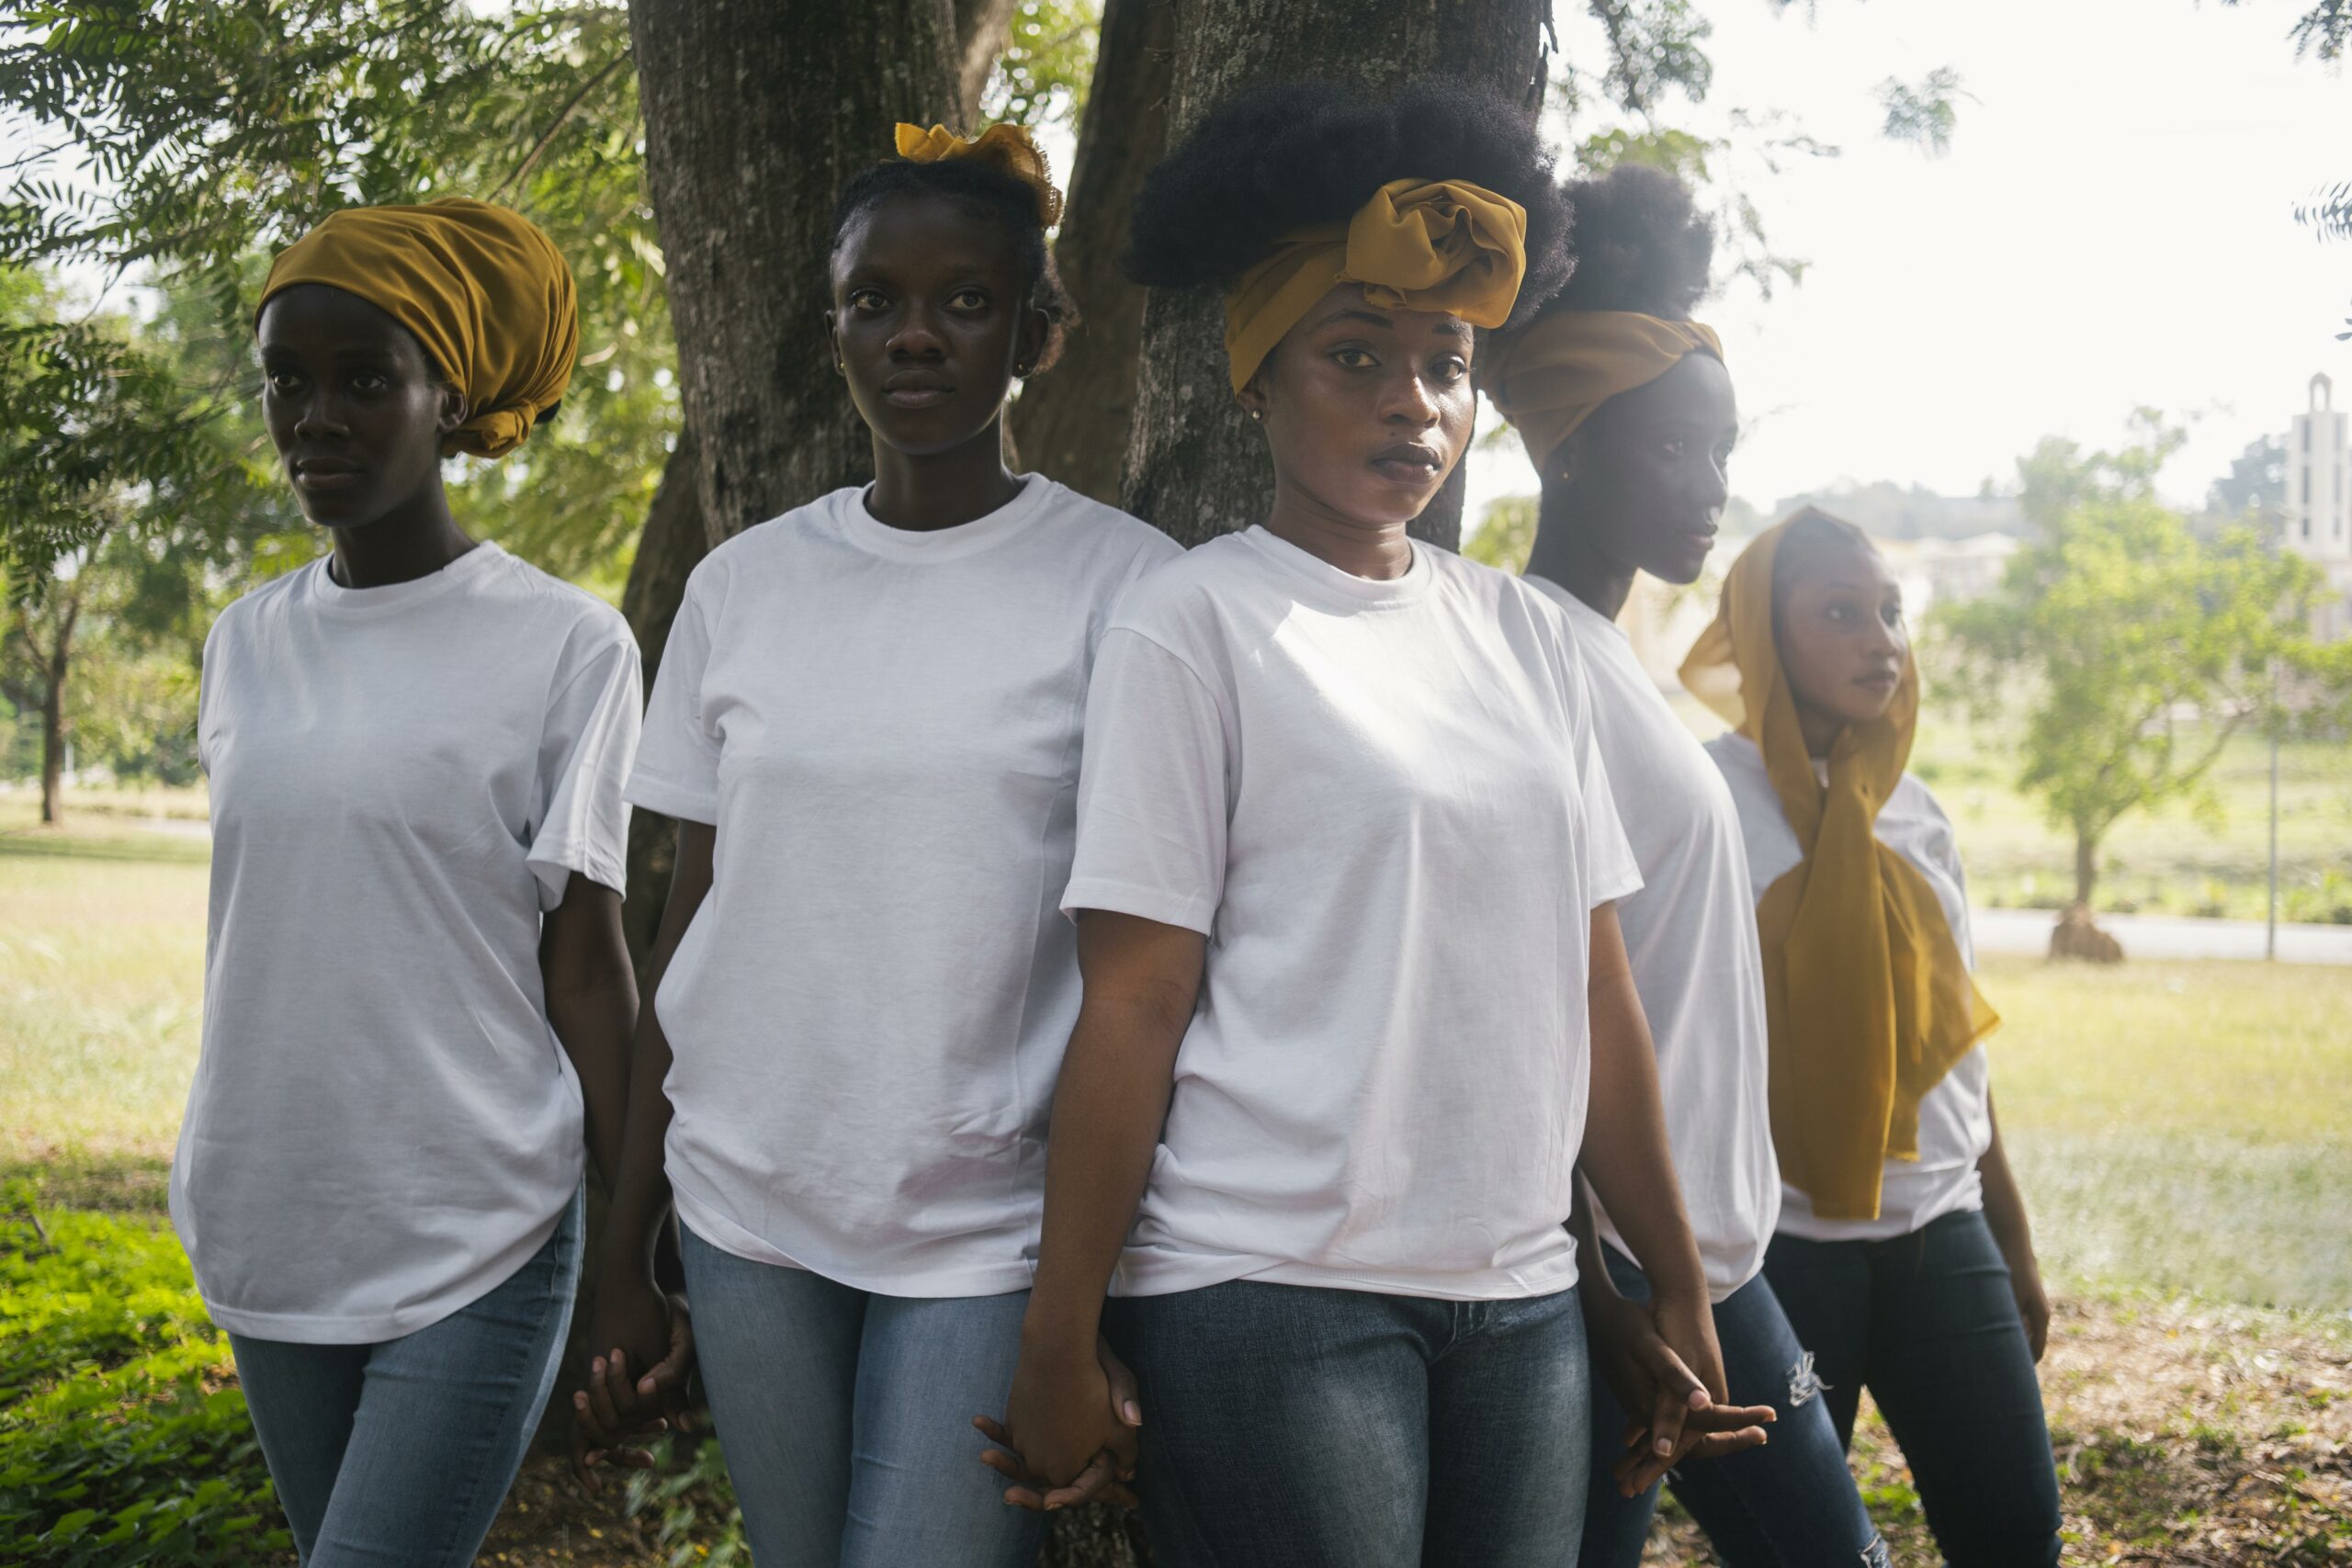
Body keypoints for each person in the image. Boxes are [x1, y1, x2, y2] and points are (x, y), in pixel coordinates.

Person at [988, 79, 1770, 1568]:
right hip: (1270, 1290)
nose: (1413, 400)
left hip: (1525, 1298)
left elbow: (1593, 984)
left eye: (1446, 363)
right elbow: (1137, 1000)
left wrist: (1669, 1280)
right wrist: (1059, 1329)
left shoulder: (1526, 638)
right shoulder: (1192, 624)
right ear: (1261, 380)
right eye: (1358, 355)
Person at [578, 121, 1177, 1567]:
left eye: (966, 300)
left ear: (1037, 331)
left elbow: (1153, 972)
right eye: (874, 300)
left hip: (984, 1224)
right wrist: (624, 1246)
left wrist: (1089, 1307)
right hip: (748, 1209)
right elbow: (691, 930)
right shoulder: (742, 586)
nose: (916, 334)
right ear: (833, 324)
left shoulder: (1131, 588)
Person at [173, 197, 640, 1566]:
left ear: (451, 400)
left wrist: (636, 1247)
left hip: (476, 1221)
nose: (314, 415)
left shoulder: (568, 645)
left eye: (365, 380)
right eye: (289, 381)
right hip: (270, 1218)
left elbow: (587, 962)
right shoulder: (241, 644)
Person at [1480, 164, 1886, 1565]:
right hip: (1626, 1268)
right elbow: (1527, 996)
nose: (1712, 490)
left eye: (1723, 452)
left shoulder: (1608, 659)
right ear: (1570, 448)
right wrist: (1605, 1280)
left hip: (1711, 1253)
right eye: (1675, 452)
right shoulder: (1520, 658)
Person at [1690, 507, 2064, 1566]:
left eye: (1892, 612)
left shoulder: (1916, 812)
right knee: (1805, 1549)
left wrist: (2011, 1240)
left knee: (2015, 1531)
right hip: (1782, 1248)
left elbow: (1953, 1052)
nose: (1880, 640)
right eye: (1841, 613)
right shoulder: (1708, 801)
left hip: (1940, 1227)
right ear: (1764, 635)